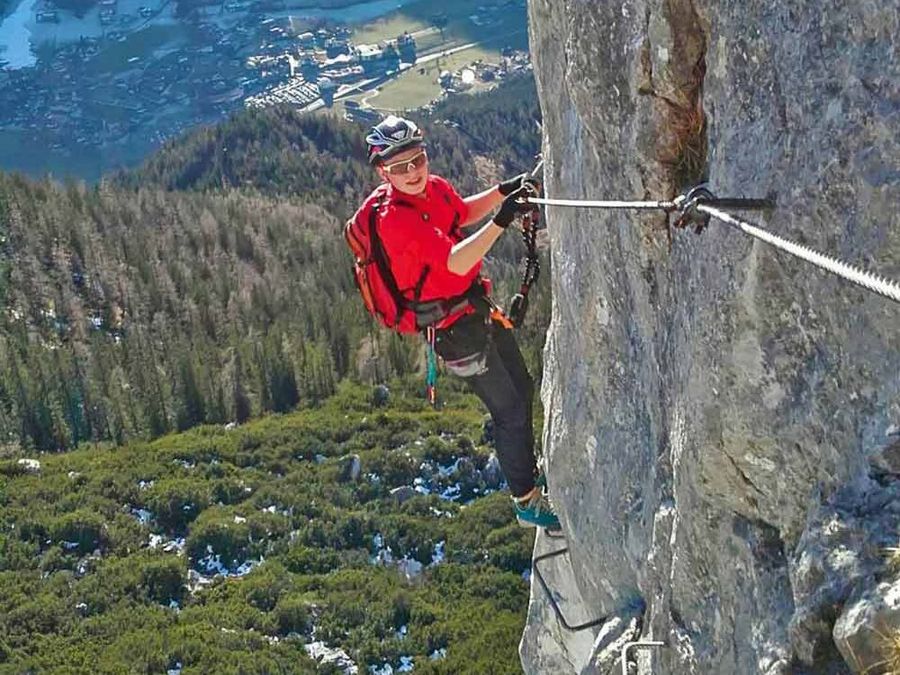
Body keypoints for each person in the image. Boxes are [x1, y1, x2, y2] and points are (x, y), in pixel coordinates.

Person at [359, 114, 559, 531]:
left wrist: (505, 190)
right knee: (508, 409)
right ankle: (526, 498)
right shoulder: (394, 220)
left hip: (473, 308)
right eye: (400, 168)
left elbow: (461, 213)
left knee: (521, 390)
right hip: (453, 332)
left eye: (417, 160)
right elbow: (455, 260)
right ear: (383, 172)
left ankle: (527, 471)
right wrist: (503, 218)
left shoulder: (433, 189)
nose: (412, 172)